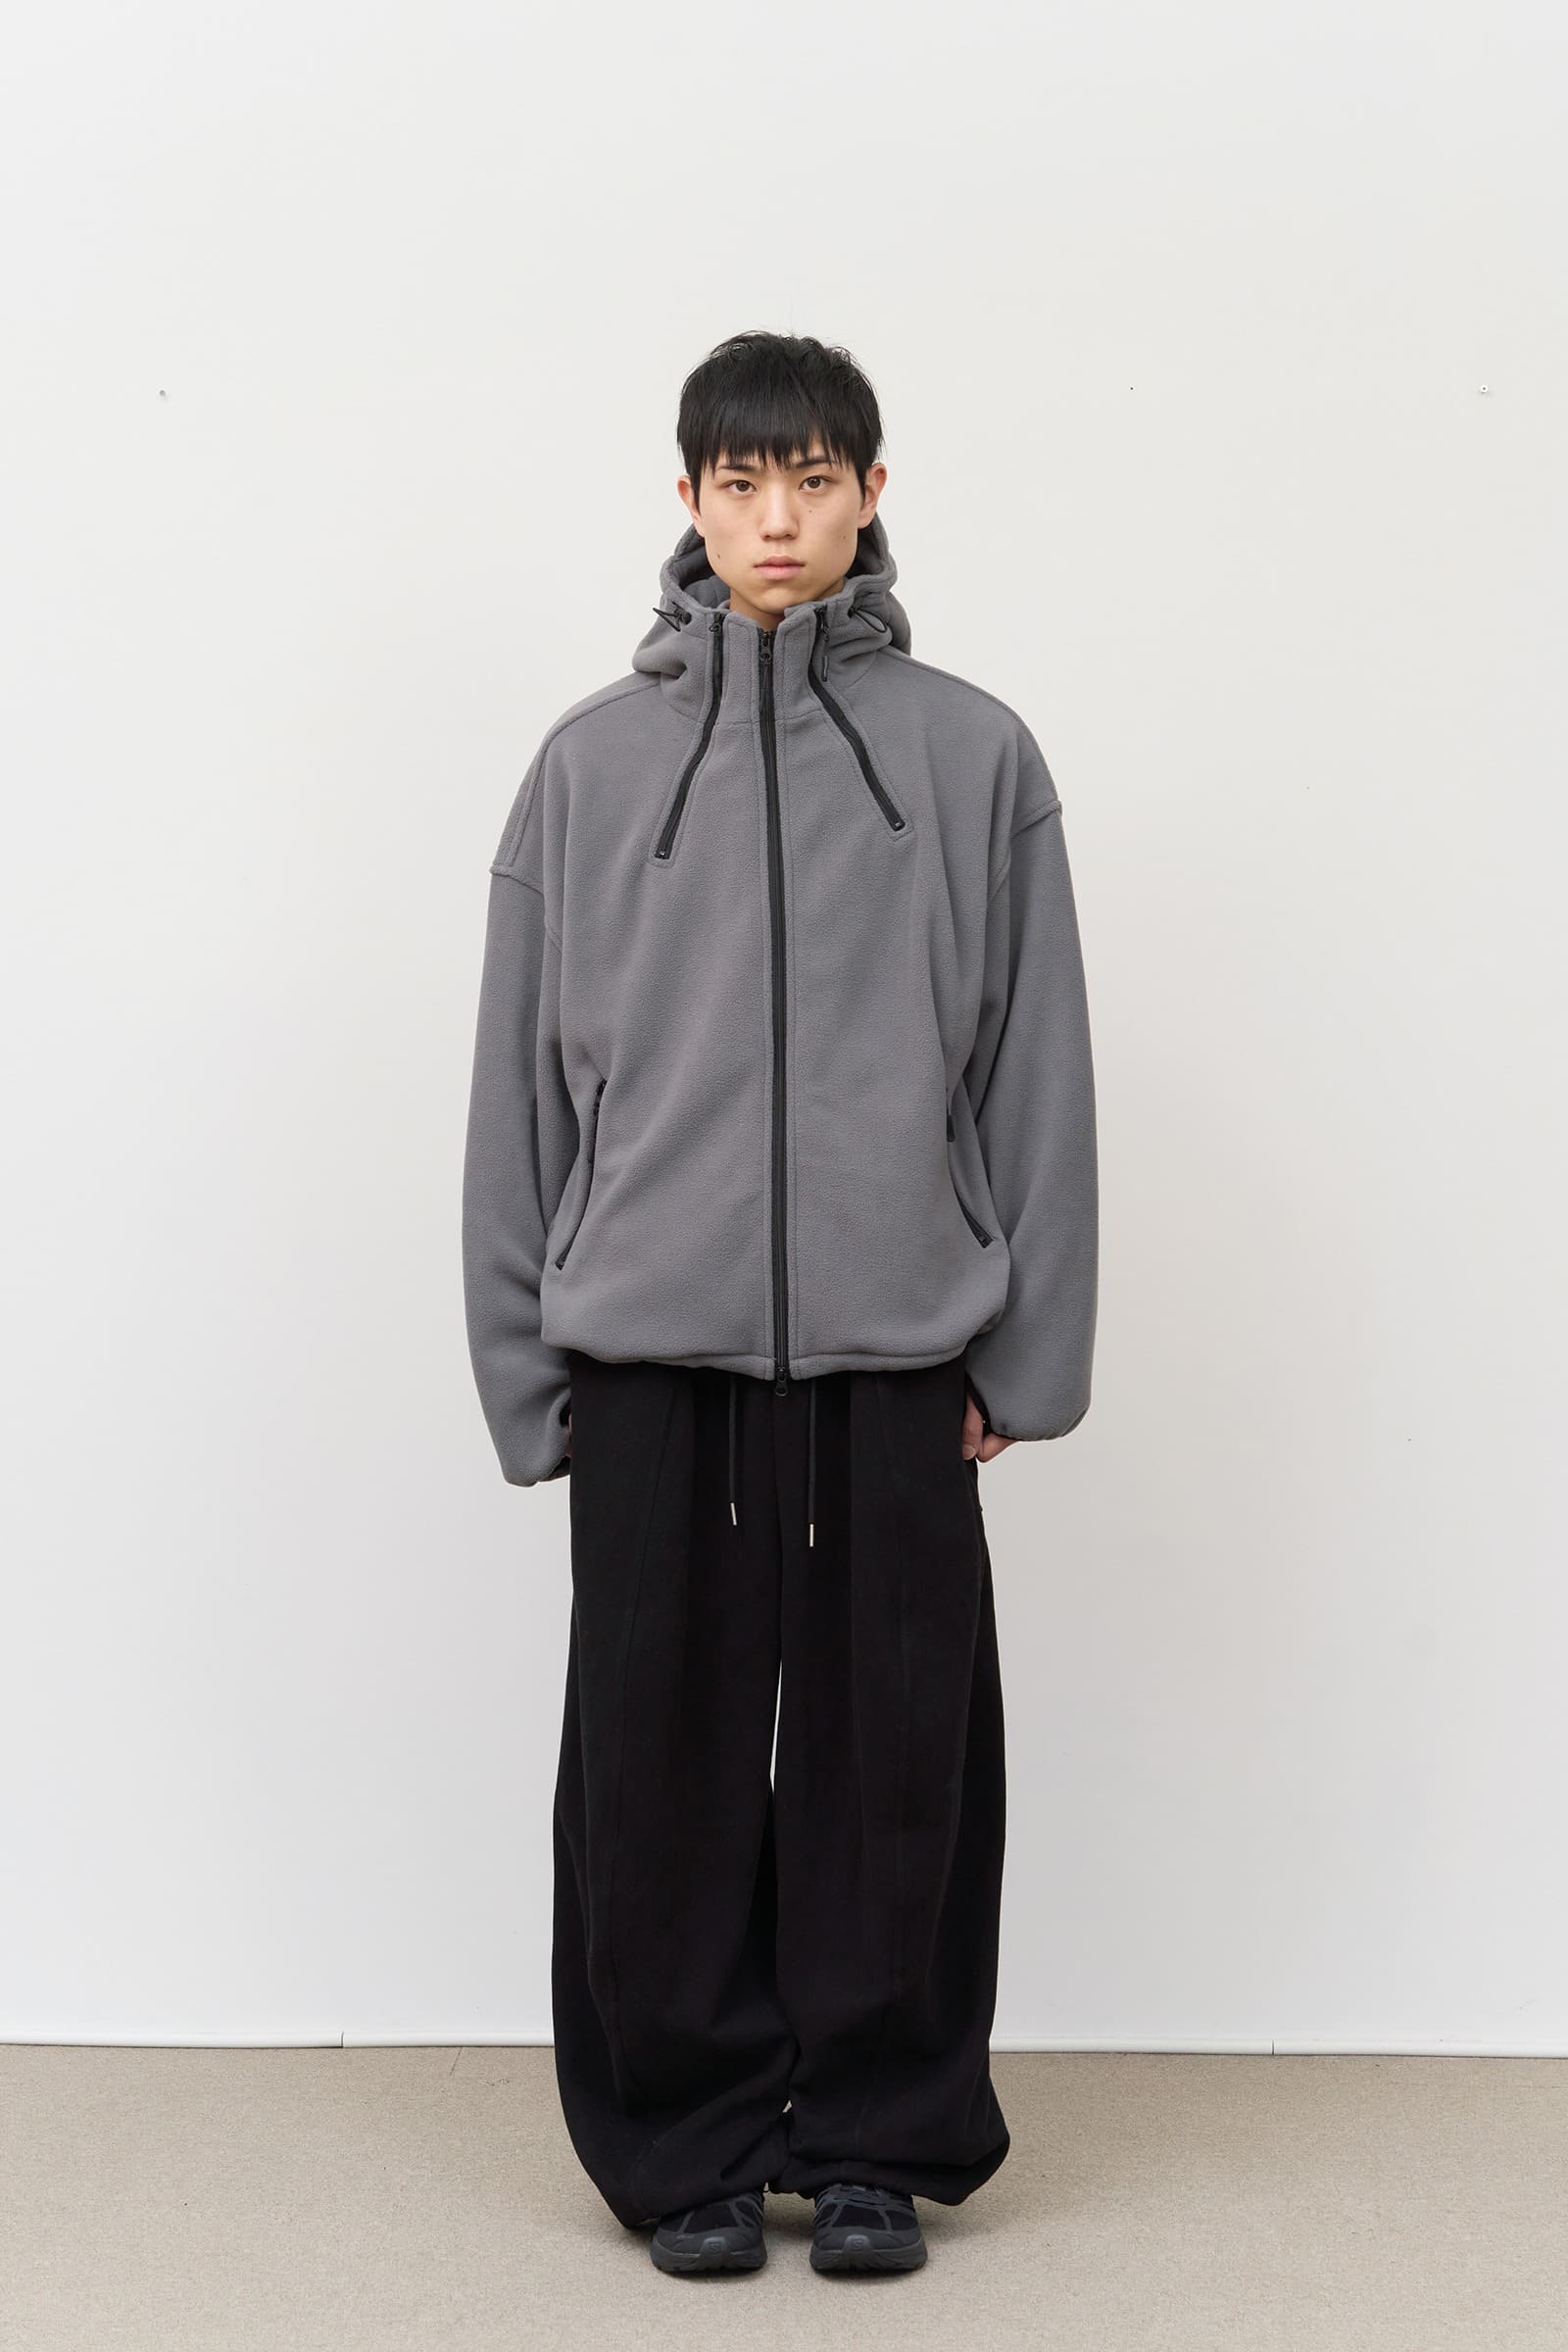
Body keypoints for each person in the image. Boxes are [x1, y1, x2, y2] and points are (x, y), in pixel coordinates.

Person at [462, 330, 1099, 2278]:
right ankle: (690, 2150)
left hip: (898, 1348)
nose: (775, 518)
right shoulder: (588, 768)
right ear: (687, 500)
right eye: (739, 482)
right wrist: (526, 1367)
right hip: (648, 1350)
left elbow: (1036, 1075)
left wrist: (1023, 1359)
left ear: (870, 494)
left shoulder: (973, 758)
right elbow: (517, 1090)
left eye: (813, 478)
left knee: (896, 1766)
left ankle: (879, 2133)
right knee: (651, 1771)